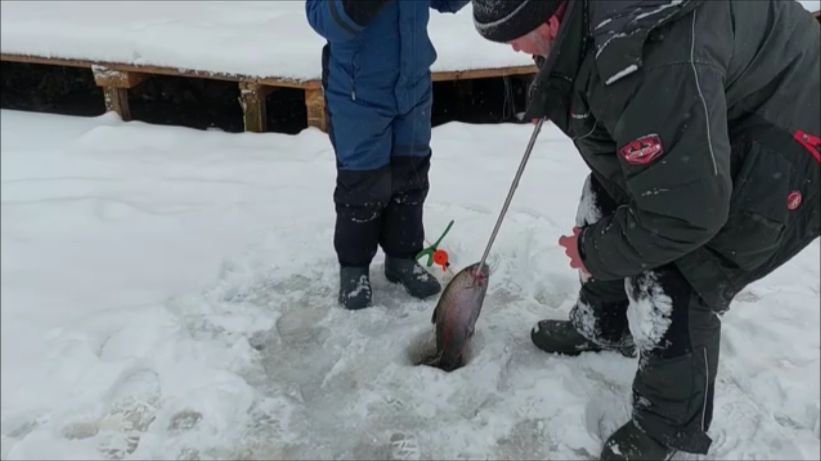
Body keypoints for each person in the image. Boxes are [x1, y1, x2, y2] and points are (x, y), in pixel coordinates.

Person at [471, 0, 820, 459]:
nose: (513, 48)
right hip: (723, 98)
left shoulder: (649, 59)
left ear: (553, 19)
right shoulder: (605, 31)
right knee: (613, 194)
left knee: (679, 260)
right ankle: (605, 324)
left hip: (789, 138)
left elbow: (685, 214)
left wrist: (593, 253)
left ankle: (667, 429)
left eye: (515, 36)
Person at [306, 0, 469, 310]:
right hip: (358, 91)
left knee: (411, 175)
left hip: (412, 85)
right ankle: (354, 268)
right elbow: (320, 18)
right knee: (363, 183)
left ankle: (402, 258)